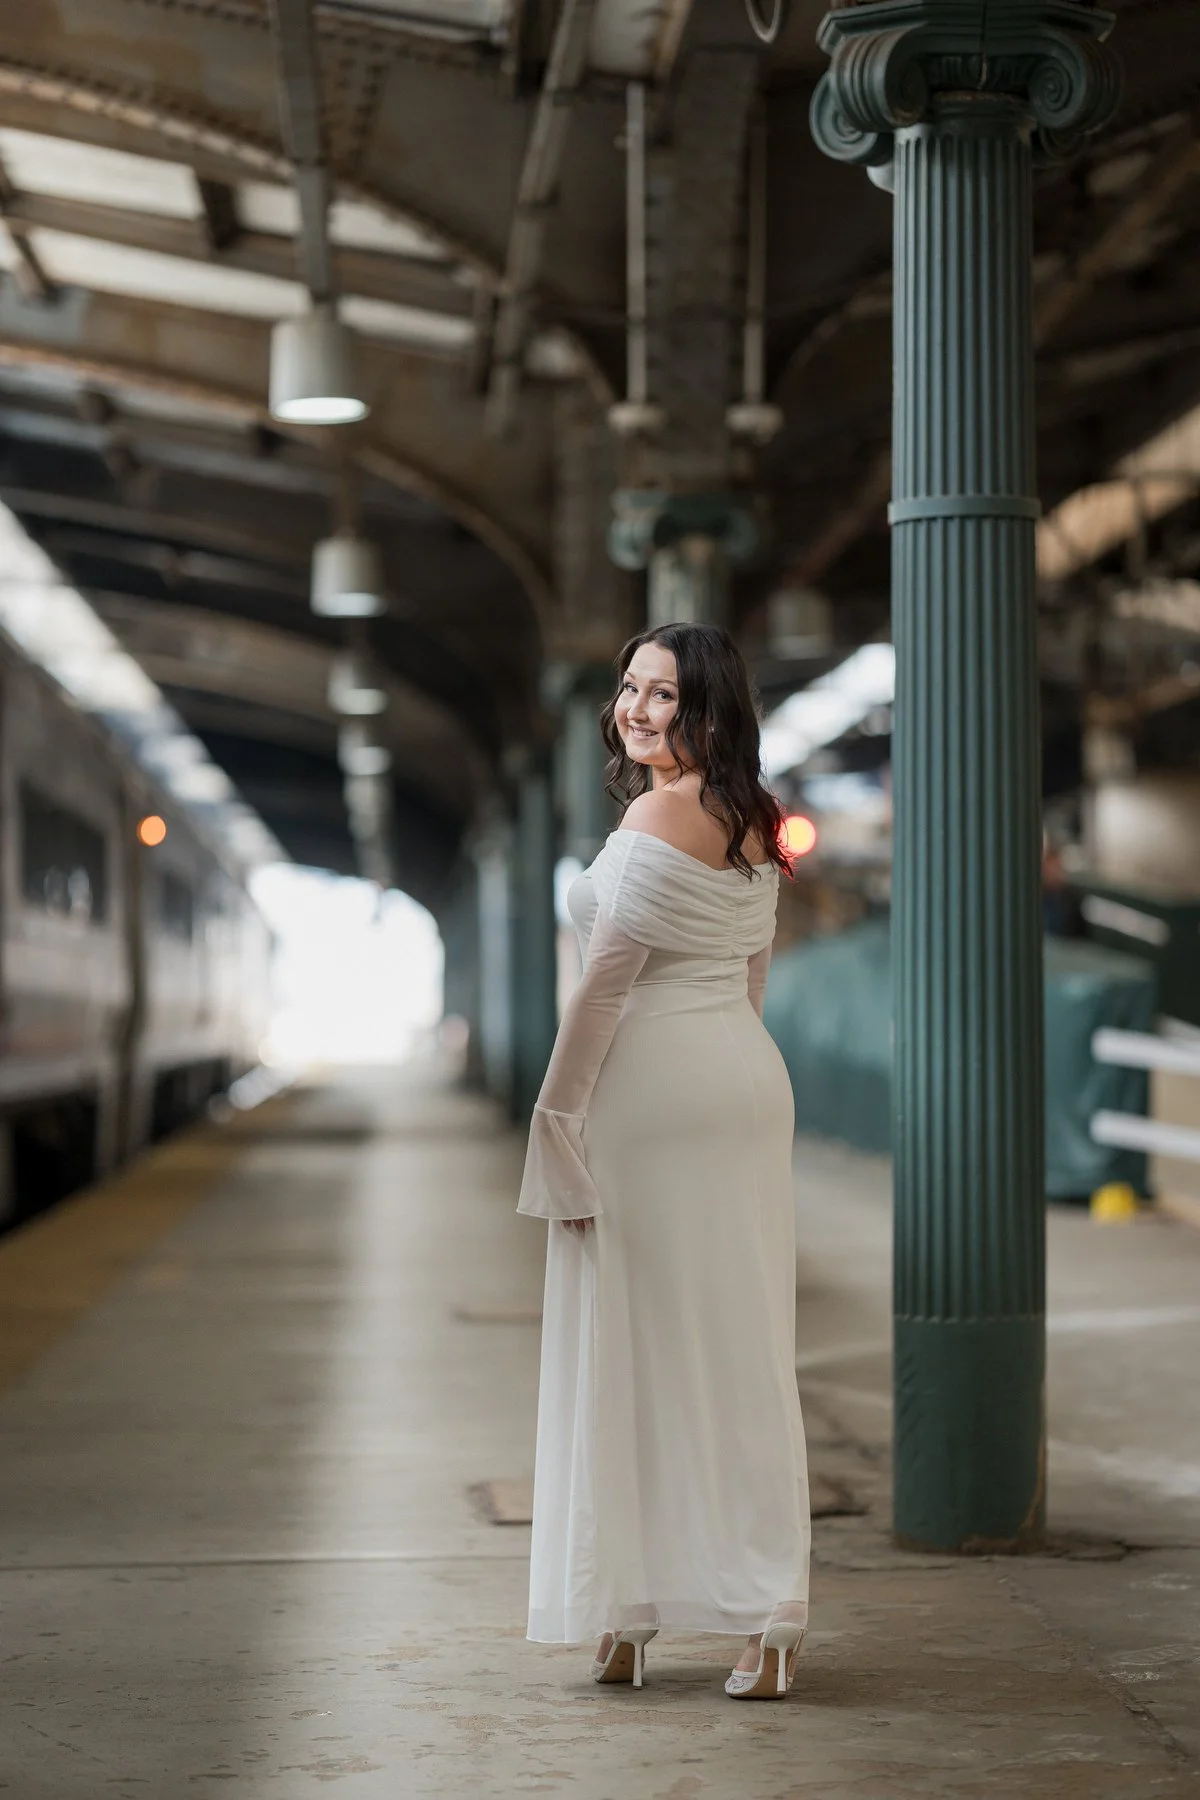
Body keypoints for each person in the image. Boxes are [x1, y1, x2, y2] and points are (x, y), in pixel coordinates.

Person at [516, 621, 811, 1701]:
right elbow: (749, 980)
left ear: (713, 711)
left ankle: (629, 1603)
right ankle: (763, 1618)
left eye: (665, 697)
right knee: (742, 1346)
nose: (638, 710)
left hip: (649, 1091)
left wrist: (556, 1119)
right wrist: (728, 1072)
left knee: (630, 1345)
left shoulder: (652, 816)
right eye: (631, 689)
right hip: (740, 1079)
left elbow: (603, 987)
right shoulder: (758, 820)